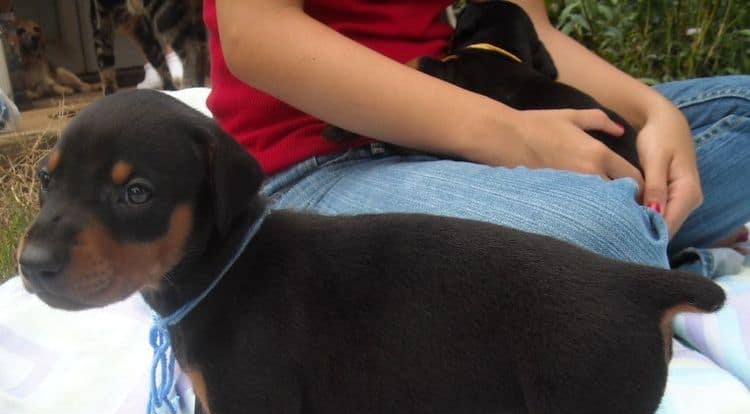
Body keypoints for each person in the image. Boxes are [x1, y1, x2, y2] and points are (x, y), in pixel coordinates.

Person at [203, 0, 750, 274]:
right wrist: (509, 136)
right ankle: (646, 251)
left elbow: (533, 34)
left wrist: (656, 115)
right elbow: (256, 34)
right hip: (318, 156)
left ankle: (640, 245)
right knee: (608, 233)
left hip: (480, 113)